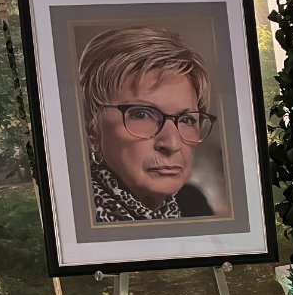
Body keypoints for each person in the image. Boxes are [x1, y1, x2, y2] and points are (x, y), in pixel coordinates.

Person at [78, 26, 218, 222]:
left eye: (187, 119)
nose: (172, 143)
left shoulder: (193, 204)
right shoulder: (74, 214)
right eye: (141, 114)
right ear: (93, 131)